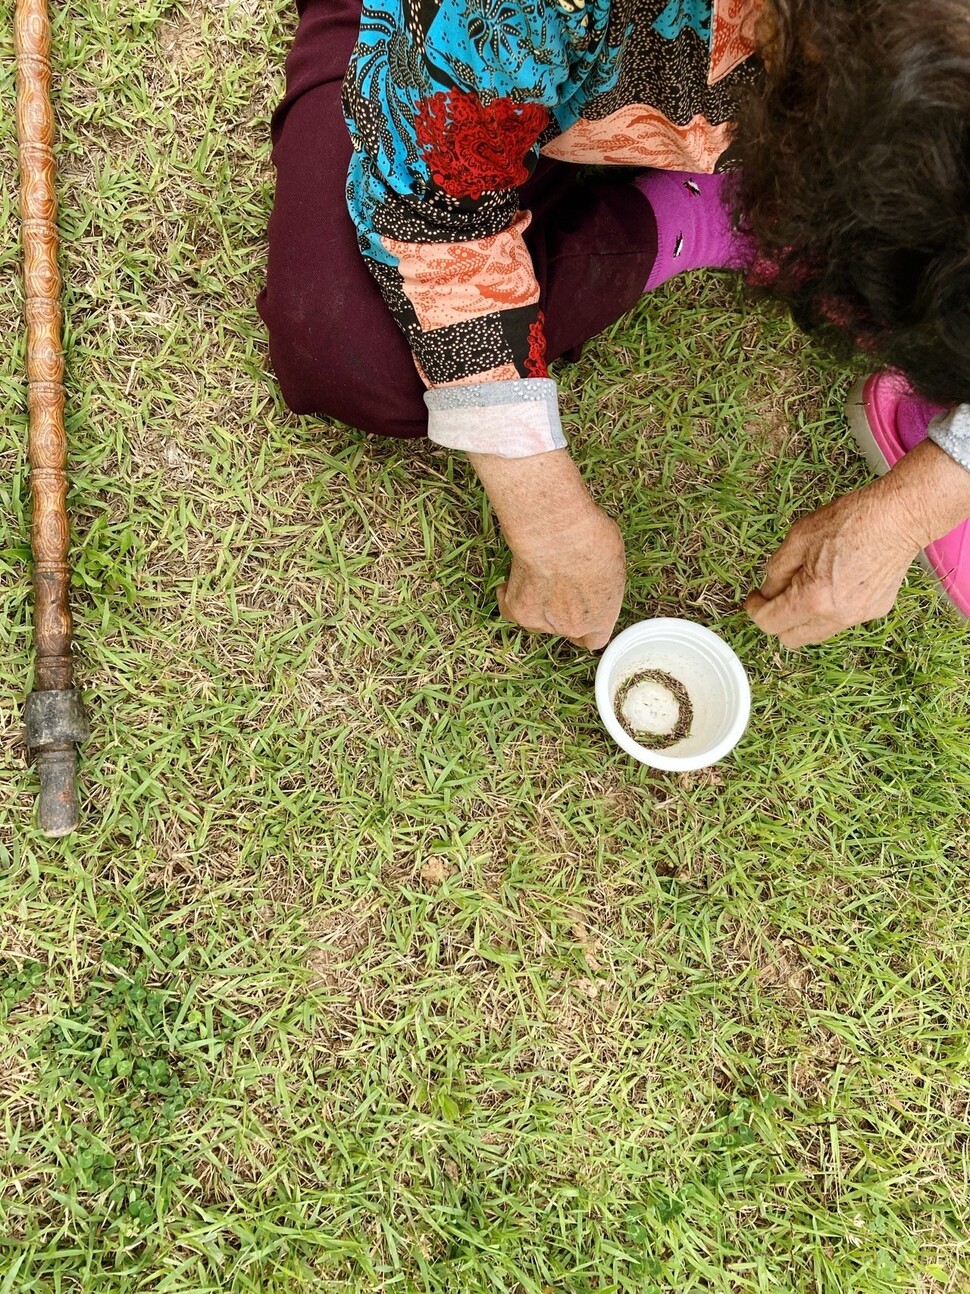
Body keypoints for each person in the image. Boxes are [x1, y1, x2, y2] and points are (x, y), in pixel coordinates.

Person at [258, 0, 970, 651]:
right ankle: (694, 212)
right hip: (462, 60)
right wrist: (543, 507)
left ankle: (719, 192)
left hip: (723, 102)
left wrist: (920, 502)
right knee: (353, 349)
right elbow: (430, 213)